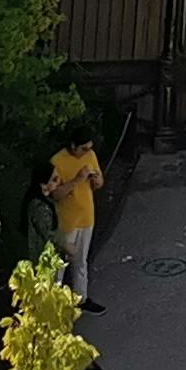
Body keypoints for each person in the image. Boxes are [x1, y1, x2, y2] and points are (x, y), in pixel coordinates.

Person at [42, 129, 105, 313]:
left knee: (81, 260)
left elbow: (99, 182)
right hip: (66, 220)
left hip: (87, 216)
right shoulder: (57, 162)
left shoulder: (90, 155)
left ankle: (81, 298)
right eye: (83, 148)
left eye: (89, 148)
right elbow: (55, 194)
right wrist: (78, 179)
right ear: (72, 146)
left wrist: (96, 180)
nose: (87, 152)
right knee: (59, 263)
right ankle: (52, 302)